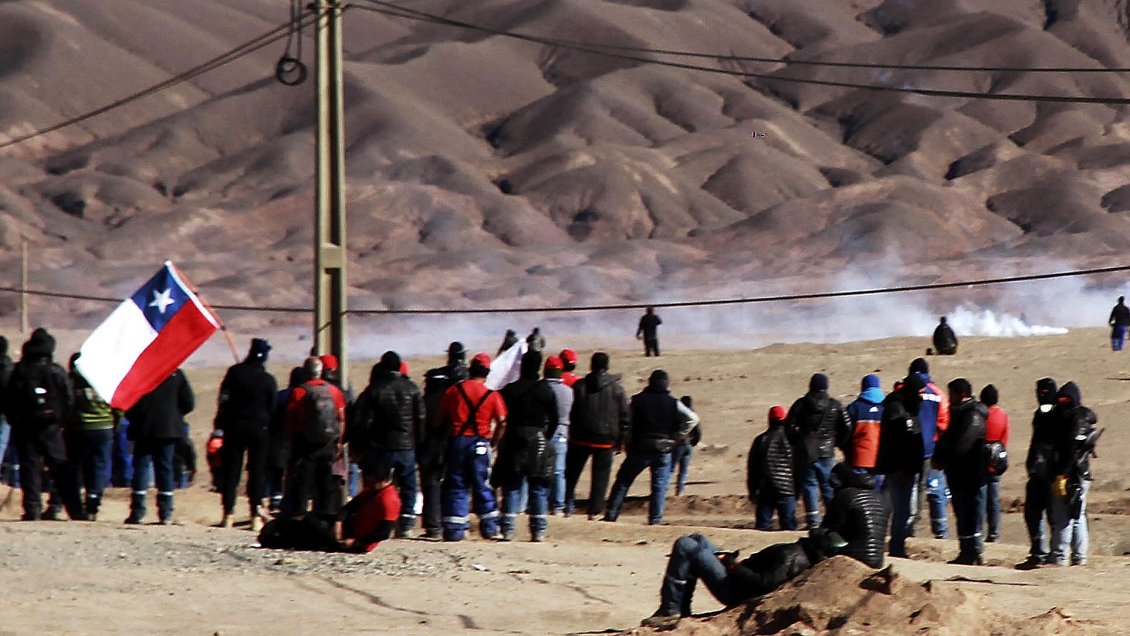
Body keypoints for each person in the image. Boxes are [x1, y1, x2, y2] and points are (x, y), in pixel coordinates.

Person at [641, 528, 846, 628]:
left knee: (685, 545)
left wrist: (732, 566)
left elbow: (762, 584)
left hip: (734, 589)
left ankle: (670, 610)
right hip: (739, 578)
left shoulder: (792, 557)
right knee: (698, 539)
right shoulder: (801, 556)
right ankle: (681, 607)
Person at [604, 370, 698, 525]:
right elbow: (692, 418)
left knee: (623, 481)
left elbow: (628, 423)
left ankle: (612, 514)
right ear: (666, 383)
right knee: (659, 487)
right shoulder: (673, 402)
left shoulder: (638, 400)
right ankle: (655, 520)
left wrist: (626, 441)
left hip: (641, 447)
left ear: (650, 382)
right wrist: (677, 436)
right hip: (663, 449)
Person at [5, 328, 81, 521]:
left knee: (29, 467)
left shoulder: (20, 370)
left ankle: (32, 509)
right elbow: (69, 398)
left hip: (25, 426)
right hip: (51, 427)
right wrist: (62, 420)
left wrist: (15, 420)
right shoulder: (55, 370)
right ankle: (73, 509)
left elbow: (9, 398)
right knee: (60, 468)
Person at [347, 351, 424, 538]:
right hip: (406, 446)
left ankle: (379, 521)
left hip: (381, 446)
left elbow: (361, 420)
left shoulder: (374, 389)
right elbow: (420, 418)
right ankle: (405, 523)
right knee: (408, 485)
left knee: (377, 485)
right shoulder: (412, 388)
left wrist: (359, 444)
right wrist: (419, 443)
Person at [258, 456, 401, 554]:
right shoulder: (373, 491)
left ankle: (274, 537)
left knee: (313, 530)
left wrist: (355, 542)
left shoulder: (389, 499)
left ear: (378, 478)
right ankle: (275, 525)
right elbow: (349, 507)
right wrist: (338, 522)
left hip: (355, 540)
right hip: (346, 527)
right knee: (312, 516)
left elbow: (383, 532)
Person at [439, 353, 507, 541]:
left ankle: (454, 530)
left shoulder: (454, 391)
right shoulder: (492, 395)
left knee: (456, 484)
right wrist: (493, 443)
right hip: (481, 444)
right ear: (487, 373)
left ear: (470, 370)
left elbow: (440, 417)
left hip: (458, 442)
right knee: (482, 485)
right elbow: (502, 421)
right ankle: (490, 528)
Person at [215, 338, 278, 531]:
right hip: (260, 430)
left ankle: (228, 514)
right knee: (257, 474)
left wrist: (220, 425)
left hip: (235, 427)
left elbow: (224, 400)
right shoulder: (268, 380)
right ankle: (255, 516)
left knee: (231, 472)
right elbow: (273, 409)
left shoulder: (235, 373)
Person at [495, 350, 558, 541]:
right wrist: (544, 437)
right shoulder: (545, 390)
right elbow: (554, 419)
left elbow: (502, 417)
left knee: (512, 485)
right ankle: (538, 531)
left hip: (514, 438)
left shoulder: (509, 390)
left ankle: (507, 529)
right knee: (538, 485)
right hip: (537, 438)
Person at [125, 368, 195, 525]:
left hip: (144, 427)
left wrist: (138, 417)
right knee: (165, 467)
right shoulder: (175, 373)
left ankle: (138, 511)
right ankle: (166, 513)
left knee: (142, 467)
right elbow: (188, 403)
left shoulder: (141, 372)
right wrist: (172, 415)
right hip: (168, 429)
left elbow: (129, 403)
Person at [564, 352, 629, 519]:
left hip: (580, 436)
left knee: (570, 474)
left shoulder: (579, 386)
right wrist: (621, 440)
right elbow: (624, 417)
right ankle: (594, 511)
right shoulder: (617, 389)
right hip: (606, 438)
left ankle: (564, 506)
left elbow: (572, 411)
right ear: (607, 367)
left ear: (591, 366)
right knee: (601, 477)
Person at [283, 356, 347, 518]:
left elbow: (291, 419)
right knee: (325, 484)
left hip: (304, 444)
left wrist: (292, 440)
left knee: (303, 484)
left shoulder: (299, 391)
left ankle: (299, 517)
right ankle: (324, 518)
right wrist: (338, 441)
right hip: (327, 444)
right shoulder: (333, 391)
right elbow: (341, 418)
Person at [932, 378, 987, 565]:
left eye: (952, 394)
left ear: (961, 394)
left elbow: (961, 445)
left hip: (969, 472)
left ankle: (973, 552)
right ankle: (966, 551)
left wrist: (944, 459)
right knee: (963, 513)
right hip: (958, 472)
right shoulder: (960, 414)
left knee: (970, 512)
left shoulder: (972, 415)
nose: (950, 397)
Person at [785, 373, 850, 529]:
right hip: (827, 452)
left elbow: (788, 426)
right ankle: (833, 519)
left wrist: (797, 442)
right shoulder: (835, 405)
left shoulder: (801, 404)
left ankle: (814, 522)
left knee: (809, 486)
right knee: (828, 485)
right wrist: (837, 442)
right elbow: (847, 427)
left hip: (806, 451)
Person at [419, 342, 469, 540]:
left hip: (433, 445)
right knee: (455, 482)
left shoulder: (428, 401)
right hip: (457, 441)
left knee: (431, 483)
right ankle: (454, 524)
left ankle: (434, 526)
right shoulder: (458, 395)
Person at [1049, 382, 1098, 567]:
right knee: (1077, 515)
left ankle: (1060, 556)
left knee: (1066, 516)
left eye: (1065, 399)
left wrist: (1062, 474)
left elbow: (1071, 452)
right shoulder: (1073, 417)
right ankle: (1079, 557)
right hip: (1081, 474)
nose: (1062, 402)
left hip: (1073, 476)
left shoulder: (1076, 419)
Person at [876, 374, 925, 558]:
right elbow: (894, 442)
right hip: (898, 469)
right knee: (900, 510)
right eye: (920, 392)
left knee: (907, 511)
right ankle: (896, 546)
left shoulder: (910, 408)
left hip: (909, 468)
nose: (922, 396)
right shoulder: (896, 409)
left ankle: (898, 544)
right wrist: (897, 469)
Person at [66, 352, 118, 521]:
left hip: (79, 428)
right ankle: (93, 505)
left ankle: (75, 505)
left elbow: (67, 403)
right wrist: (114, 422)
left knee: (75, 466)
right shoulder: (105, 378)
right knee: (98, 466)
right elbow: (118, 404)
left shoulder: (71, 380)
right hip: (104, 427)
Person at [1018, 378, 1058, 569]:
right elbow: (1036, 443)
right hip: (1036, 472)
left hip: (1051, 474)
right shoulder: (1039, 414)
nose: (1039, 395)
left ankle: (1054, 552)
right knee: (1031, 513)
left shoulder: (1059, 414)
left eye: (1043, 392)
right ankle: (1037, 551)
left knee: (1053, 515)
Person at [908, 358, 950, 541]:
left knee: (912, 488)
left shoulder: (904, 390)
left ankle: (911, 530)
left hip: (909, 448)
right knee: (935, 489)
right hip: (931, 449)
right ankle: (941, 532)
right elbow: (943, 423)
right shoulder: (938, 394)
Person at [821, 463, 890, 569]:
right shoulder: (882, 498)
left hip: (854, 557)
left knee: (822, 536)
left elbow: (830, 525)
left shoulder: (845, 495)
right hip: (878, 560)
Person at [266, 367, 309, 513]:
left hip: (278, 438)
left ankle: (276, 501)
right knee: (297, 472)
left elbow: (270, 417)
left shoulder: (280, 396)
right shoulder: (305, 394)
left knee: (277, 473)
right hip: (299, 438)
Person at [747, 405, 796, 531]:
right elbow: (799, 466)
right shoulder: (792, 439)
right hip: (787, 487)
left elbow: (752, 468)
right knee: (789, 527)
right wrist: (798, 488)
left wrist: (752, 490)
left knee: (763, 526)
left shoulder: (761, 440)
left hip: (766, 488)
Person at [319, 354, 353, 503]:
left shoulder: (311, 387)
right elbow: (344, 416)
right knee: (336, 474)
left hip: (314, 438)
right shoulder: (339, 390)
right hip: (335, 437)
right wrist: (342, 439)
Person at [543, 355, 573, 516]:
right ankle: (558, 507)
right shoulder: (568, 391)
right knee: (559, 471)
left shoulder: (541, 389)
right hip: (561, 432)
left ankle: (537, 503)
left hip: (542, 431)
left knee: (537, 470)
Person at [980, 384, 1009, 543]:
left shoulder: (982, 414)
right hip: (997, 460)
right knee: (994, 499)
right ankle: (994, 533)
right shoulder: (1002, 415)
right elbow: (1005, 437)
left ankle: (980, 531)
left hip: (982, 460)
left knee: (981, 497)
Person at [845, 374, 884, 487]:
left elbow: (846, 433)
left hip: (858, 457)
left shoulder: (854, 407)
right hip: (878, 457)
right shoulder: (885, 407)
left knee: (859, 492)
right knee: (876, 494)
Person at [670, 395, 701, 496]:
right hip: (688, 444)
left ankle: (664, 491)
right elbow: (698, 432)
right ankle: (680, 492)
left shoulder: (677, 415)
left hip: (678, 444)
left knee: (670, 468)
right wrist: (694, 442)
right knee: (683, 470)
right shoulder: (693, 415)